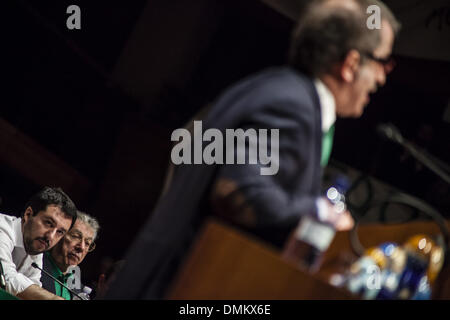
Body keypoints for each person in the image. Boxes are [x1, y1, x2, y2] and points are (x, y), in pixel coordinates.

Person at [105, 0, 400, 299]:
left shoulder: (275, 88)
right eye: (383, 62)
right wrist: (322, 213)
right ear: (350, 64)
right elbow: (238, 192)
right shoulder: (291, 105)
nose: (383, 77)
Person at [0, 187, 77, 300]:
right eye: (48, 223)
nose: (50, 236)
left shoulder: (35, 247)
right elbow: (6, 278)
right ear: (28, 214)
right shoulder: (2, 228)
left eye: (60, 232)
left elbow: (32, 290)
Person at [40, 211, 99, 300]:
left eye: (87, 243)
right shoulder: (34, 264)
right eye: (75, 236)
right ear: (59, 234)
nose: (82, 247)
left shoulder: (81, 291)